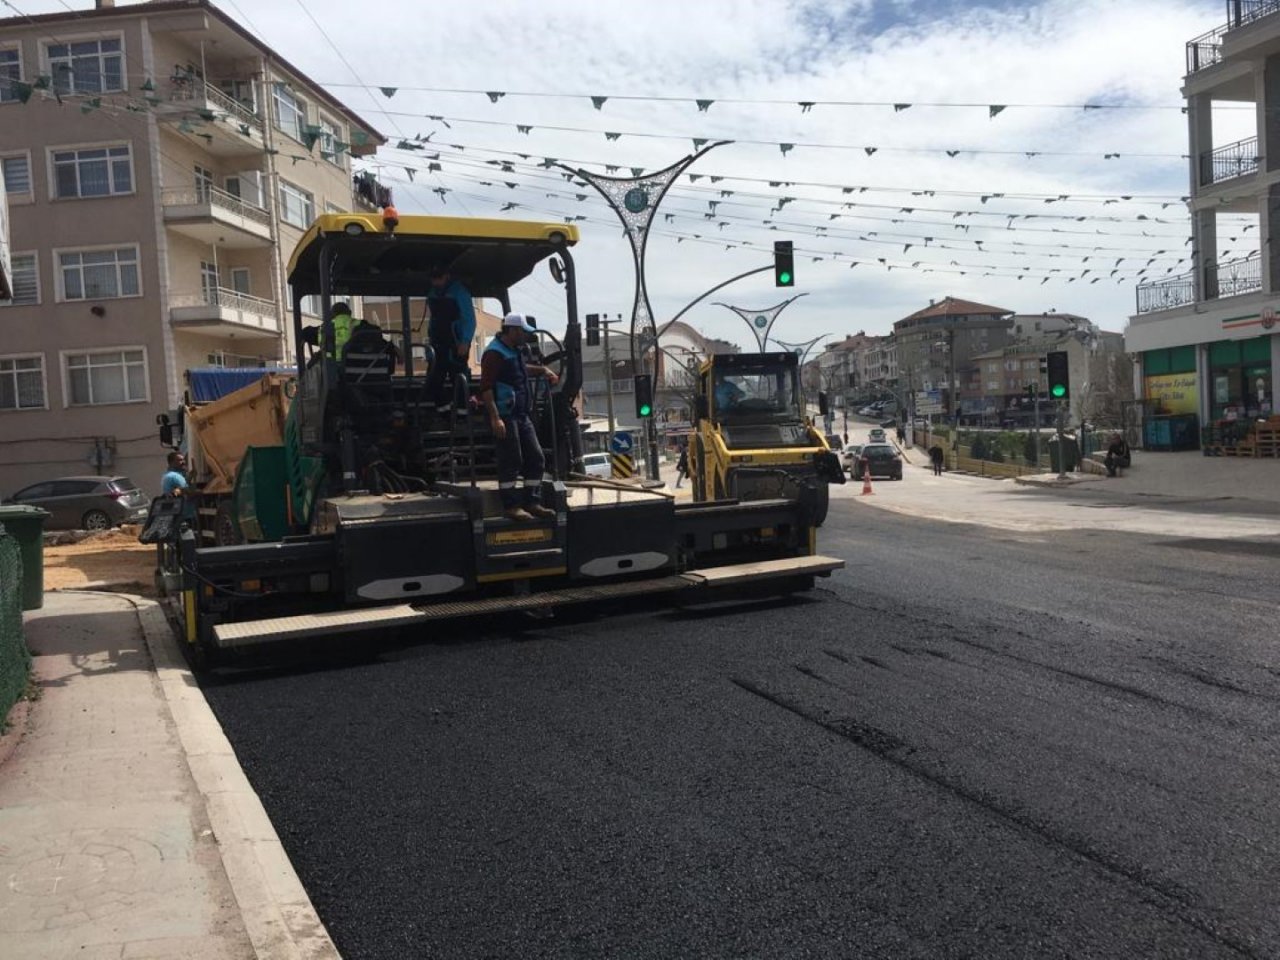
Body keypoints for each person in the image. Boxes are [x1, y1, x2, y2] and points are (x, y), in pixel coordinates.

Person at [480, 313, 559, 521]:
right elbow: (486, 388)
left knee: (536, 457)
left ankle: (532, 502)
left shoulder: (513, 351)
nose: (526, 336)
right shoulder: (494, 353)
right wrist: (495, 418)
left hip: (522, 414)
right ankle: (511, 506)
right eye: (524, 332)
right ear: (513, 330)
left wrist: (542, 370)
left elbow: (520, 370)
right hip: (505, 416)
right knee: (512, 459)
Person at [425, 264, 477, 420]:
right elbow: (432, 321)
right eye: (433, 279)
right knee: (433, 380)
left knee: (459, 381)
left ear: (446, 276)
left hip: (456, 344)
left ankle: (462, 416)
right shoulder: (432, 294)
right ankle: (445, 414)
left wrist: (465, 341)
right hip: (437, 344)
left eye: (439, 278)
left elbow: (469, 319)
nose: (436, 282)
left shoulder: (460, 292)